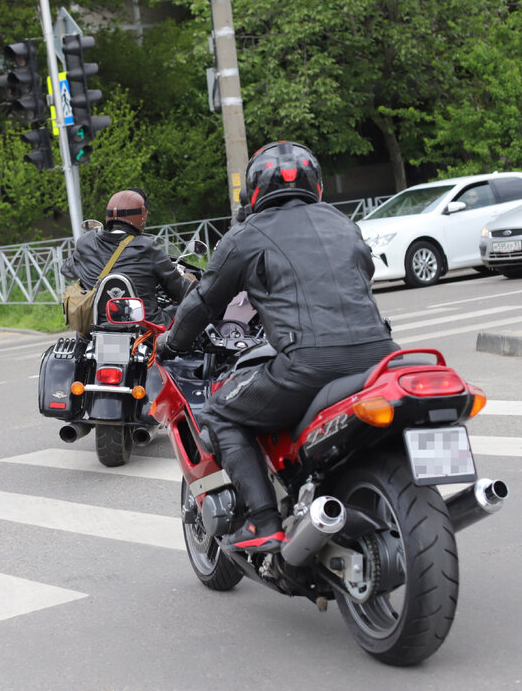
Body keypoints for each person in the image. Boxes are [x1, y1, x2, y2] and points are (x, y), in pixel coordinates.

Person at [155, 142, 399, 554]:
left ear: (253, 193)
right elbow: (362, 276)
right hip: (382, 359)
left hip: (307, 364)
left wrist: (170, 342)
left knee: (219, 411)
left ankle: (264, 522)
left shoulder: (246, 235)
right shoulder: (343, 223)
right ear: (317, 186)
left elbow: (203, 301)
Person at [61, 188, 189, 325]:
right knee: (181, 311)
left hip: (95, 325)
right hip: (145, 327)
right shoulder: (148, 247)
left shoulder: (86, 241)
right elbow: (179, 291)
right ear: (141, 216)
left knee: (82, 336)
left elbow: (67, 271)